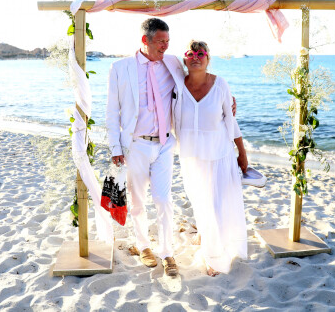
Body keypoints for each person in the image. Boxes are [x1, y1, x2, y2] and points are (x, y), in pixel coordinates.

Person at [106, 18, 185, 276]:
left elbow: (196, 82)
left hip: (164, 144)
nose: (165, 46)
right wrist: (115, 146)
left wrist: (226, 97)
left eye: (167, 41)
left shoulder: (172, 63)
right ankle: (143, 246)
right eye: (160, 41)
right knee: (138, 201)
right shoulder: (120, 68)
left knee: (163, 199)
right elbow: (112, 111)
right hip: (136, 146)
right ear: (145, 40)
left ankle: (167, 251)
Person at [172, 40, 248, 277]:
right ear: (184, 59)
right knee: (199, 200)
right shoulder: (176, 83)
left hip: (218, 154)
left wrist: (242, 153)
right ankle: (205, 233)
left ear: (208, 58)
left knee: (215, 205)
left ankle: (214, 257)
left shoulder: (220, 84)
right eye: (191, 53)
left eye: (201, 53)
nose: (196, 57)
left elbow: (230, 120)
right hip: (191, 156)